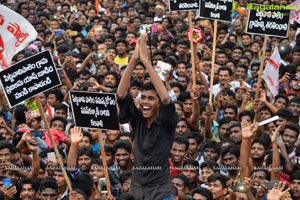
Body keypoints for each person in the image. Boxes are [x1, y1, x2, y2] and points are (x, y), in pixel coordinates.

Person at [117, 33, 178, 199]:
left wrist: (146, 61)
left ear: (158, 103)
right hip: (137, 191)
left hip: (160, 192)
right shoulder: (138, 120)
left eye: (151, 98)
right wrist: (134, 59)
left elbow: (166, 98)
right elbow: (121, 95)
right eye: (143, 97)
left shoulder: (167, 122)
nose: (145, 102)